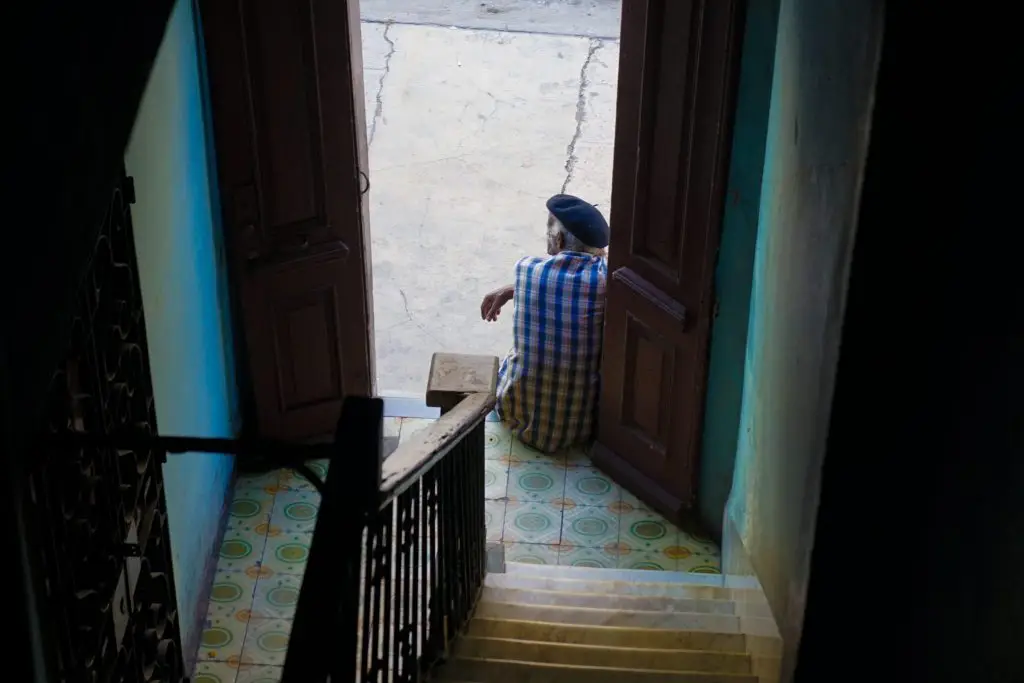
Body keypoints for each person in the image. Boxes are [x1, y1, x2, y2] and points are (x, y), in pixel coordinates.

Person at [480, 194, 608, 453]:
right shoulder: (606, 280)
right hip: (578, 428)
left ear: (559, 240)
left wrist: (508, 290)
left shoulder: (525, 268)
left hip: (511, 413)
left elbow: (550, 281)